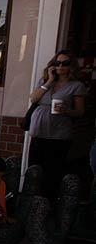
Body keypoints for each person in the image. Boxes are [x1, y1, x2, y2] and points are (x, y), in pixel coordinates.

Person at [29, 50, 86, 196]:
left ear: (71, 66)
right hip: (39, 131)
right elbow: (34, 99)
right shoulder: (44, 81)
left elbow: (80, 111)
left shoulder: (76, 85)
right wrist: (49, 80)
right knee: (35, 169)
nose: (60, 66)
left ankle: (47, 203)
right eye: (57, 63)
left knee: (53, 172)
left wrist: (66, 110)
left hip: (59, 134)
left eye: (65, 63)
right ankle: (30, 201)